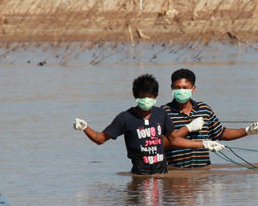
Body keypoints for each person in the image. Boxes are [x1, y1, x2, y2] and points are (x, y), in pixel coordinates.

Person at [73, 74, 225, 175]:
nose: (146, 100)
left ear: (155, 97)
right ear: (135, 96)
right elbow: (100, 138)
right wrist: (85, 128)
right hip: (140, 174)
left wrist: (204, 144)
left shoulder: (161, 114)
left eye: (149, 97)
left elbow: (174, 140)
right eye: (142, 97)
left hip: (162, 173)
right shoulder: (125, 118)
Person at [163, 68, 258, 168]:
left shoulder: (204, 110)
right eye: (177, 88)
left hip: (203, 172)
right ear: (172, 88)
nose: (181, 91)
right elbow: (159, 144)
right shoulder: (163, 113)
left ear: (193, 89)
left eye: (185, 88)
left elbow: (220, 133)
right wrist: (189, 129)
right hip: (176, 173)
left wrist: (247, 131)